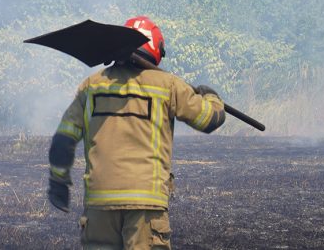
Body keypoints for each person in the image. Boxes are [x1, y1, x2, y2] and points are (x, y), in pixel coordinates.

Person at [47, 16, 226, 249]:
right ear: (157, 48)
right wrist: (211, 97)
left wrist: (58, 181)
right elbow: (208, 120)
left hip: (100, 204)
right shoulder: (168, 84)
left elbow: (64, 137)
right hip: (146, 203)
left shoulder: (92, 85)